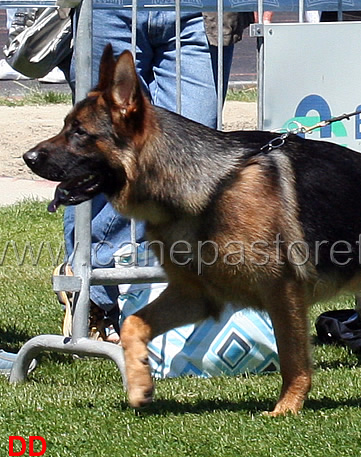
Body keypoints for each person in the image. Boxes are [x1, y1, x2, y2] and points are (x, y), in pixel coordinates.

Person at [60, 8, 252, 340]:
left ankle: (139, 291)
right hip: (107, 7)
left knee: (191, 158)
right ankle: (95, 295)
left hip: (202, 9)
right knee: (100, 148)